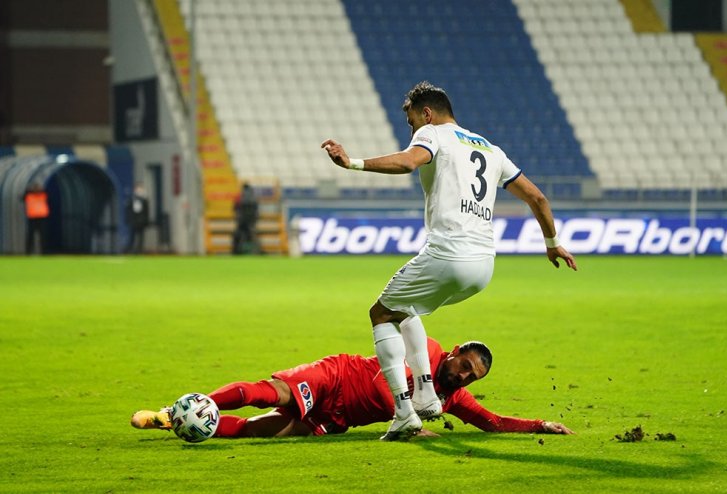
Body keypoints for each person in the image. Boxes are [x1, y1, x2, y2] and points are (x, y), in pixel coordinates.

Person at [321, 81, 578, 440]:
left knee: (381, 313)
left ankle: (406, 410)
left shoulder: (434, 135)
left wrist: (353, 163)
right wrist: (552, 243)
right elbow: (537, 198)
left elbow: (409, 162)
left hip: (448, 254)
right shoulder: (492, 150)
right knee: (407, 309)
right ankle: (424, 390)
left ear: (426, 114)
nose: (413, 130)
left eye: (412, 122)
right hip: (483, 268)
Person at [131, 337, 573, 439]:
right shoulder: (428, 352)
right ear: (456, 352)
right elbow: (385, 378)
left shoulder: (451, 397)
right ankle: (179, 410)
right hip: (336, 377)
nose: (463, 376)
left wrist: (538, 424)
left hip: (337, 418)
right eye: (464, 366)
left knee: (256, 433)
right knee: (272, 393)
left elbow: (491, 422)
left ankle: (177, 421)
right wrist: (408, 420)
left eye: (472, 376)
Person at [232, 182, 260, 254]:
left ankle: (236, 251)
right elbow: (257, 210)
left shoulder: (239, 197)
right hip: (252, 222)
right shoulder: (254, 197)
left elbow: (234, 208)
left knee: (238, 234)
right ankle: (254, 251)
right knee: (251, 235)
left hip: (241, 221)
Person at [23, 182, 50, 254]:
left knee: (43, 236)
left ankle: (44, 252)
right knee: (30, 236)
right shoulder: (28, 195)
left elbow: (47, 193)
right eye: (35, 188)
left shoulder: (43, 195)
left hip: (42, 218)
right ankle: (28, 252)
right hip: (32, 218)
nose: (36, 190)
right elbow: (23, 197)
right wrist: (30, 190)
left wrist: (39, 189)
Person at [125, 183, 149, 254]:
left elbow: (146, 212)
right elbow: (131, 211)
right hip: (134, 221)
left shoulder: (144, 200)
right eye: (138, 189)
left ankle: (139, 250)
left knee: (140, 237)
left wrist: (145, 221)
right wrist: (129, 220)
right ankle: (131, 250)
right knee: (132, 236)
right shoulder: (133, 199)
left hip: (141, 221)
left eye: (141, 189)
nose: (140, 191)